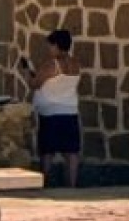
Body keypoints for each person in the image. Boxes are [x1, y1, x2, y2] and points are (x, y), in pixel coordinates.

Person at [18, 29, 84, 188]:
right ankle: (72, 185)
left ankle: (44, 184)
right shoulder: (75, 64)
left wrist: (26, 72)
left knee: (47, 152)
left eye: (51, 45)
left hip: (50, 113)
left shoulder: (51, 65)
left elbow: (34, 84)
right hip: (70, 111)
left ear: (56, 45)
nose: (49, 49)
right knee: (71, 152)